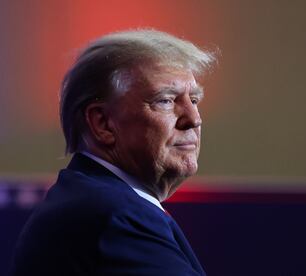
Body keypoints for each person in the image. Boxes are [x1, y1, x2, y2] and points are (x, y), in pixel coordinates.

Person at [10, 29, 216, 276]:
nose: (193, 119)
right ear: (103, 124)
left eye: (194, 100)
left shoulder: (90, 199)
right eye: (166, 100)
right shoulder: (117, 218)